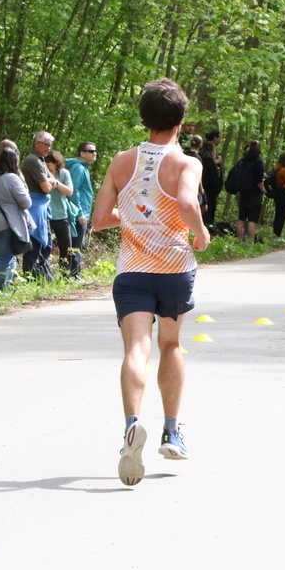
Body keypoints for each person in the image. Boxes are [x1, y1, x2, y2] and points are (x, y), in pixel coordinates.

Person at [91, 78, 209, 486]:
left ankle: (131, 424)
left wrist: (134, 217)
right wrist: (200, 232)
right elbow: (187, 202)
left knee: (136, 349)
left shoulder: (120, 161)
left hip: (132, 270)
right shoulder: (186, 163)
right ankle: (171, 431)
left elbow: (100, 219)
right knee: (170, 344)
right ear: (181, 121)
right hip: (174, 269)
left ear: (144, 118)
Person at [0, 139, 35, 290]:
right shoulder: (12, 178)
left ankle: (6, 288)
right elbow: (27, 203)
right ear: (14, 161)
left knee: (7, 257)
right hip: (7, 225)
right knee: (3, 259)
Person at [21, 132, 56, 277]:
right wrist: (51, 182)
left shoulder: (41, 160)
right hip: (35, 207)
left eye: (50, 145)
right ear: (36, 144)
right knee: (35, 242)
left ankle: (41, 275)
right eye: (46, 145)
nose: (48, 148)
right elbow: (46, 187)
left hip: (42, 206)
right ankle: (31, 276)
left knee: (46, 244)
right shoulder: (32, 160)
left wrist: (51, 181)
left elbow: (53, 180)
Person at [68, 142, 97, 276]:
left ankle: (74, 274)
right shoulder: (79, 168)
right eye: (90, 151)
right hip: (78, 213)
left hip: (82, 212)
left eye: (95, 151)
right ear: (82, 153)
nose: (94, 153)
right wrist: (80, 213)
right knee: (76, 245)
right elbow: (74, 191)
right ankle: (74, 275)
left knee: (78, 244)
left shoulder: (83, 168)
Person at [46, 149, 76, 275]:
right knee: (45, 246)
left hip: (62, 215)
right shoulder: (41, 174)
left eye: (49, 164)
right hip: (46, 216)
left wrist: (56, 183)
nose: (47, 167)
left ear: (56, 163)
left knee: (66, 248)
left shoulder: (64, 173)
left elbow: (69, 192)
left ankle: (65, 273)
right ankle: (44, 273)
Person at [233, 140, 266, 243]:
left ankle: (239, 241)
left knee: (241, 218)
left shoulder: (243, 161)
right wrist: (263, 190)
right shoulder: (258, 161)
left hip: (243, 192)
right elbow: (258, 180)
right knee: (252, 219)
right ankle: (251, 242)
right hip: (254, 193)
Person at [267, 153, 285, 241]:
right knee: (283, 214)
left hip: (277, 192)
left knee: (278, 214)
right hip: (283, 193)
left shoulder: (276, 167)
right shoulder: (284, 170)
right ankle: (277, 235)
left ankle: (275, 234)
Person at [200, 131, 223, 228]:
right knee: (208, 211)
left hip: (206, 189)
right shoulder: (208, 161)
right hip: (209, 190)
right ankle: (207, 227)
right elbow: (211, 176)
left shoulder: (204, 159)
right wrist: (218, 186)